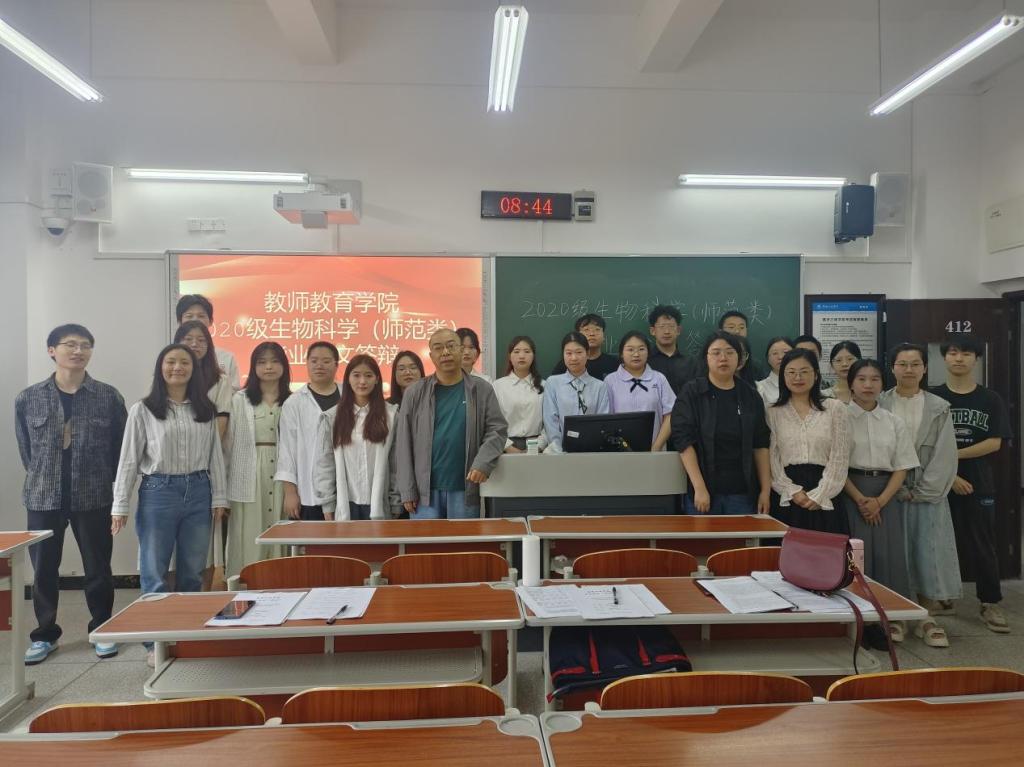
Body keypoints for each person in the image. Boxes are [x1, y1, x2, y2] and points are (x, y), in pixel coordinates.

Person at [16, 324, 127, 665]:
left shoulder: (108, 396)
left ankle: (102, 629)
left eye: (85, 345)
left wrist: (111, 487)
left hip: (93, 495)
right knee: (43, 569)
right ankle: (45, 635)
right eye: (70, 344)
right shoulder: (29, 397)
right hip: (43, 496)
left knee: (98, 567)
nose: (78, 351)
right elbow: (26, 450)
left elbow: (120, 449)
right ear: (52, 350)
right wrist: (46, 475)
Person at [112, 344, 228, 665]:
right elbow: (129, 459)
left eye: (184, 362)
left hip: (199, 490)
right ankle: (156, 642)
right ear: (160, 368)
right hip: (158, 491)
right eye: (171, 362)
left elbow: (215, 457)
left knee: (192, 572)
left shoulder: (205, 409)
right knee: (154, 572)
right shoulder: (143, 409)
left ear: (194, 369)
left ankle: (186, 636)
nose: (177, 367)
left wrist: (219, 497)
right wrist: (120, 504)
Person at [879, 343, 960, 648]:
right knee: (895, 553)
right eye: (902, 364)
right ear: (892, 368)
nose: (909, 370)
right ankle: (897, 615)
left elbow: (945, 454)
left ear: (925, 368)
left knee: (928, 551)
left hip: (928, 492)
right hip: (890, 491)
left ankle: (927, 617)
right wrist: (895, 488)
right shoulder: (880, 402)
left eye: (915, 364)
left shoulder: (939, 406)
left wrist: (922, 491)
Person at [931, 335, 1012, 634]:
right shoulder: (933, 397)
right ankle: (942, 597)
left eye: (966, 353)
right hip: (940, 481)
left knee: (982, 542)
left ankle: (990, 602)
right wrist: (950, 475)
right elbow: (926, 443)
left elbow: (994, 442)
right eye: (953, 352)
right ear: (944, 358)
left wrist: (954, 456)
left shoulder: (990, 399)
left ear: (976, 359)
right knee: (938, 541)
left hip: (978, 482)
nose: (959, 358)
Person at [840, 360, 918, 638]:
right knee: (855, 557)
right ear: (851, 383)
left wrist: (880, 501)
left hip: (886, 493)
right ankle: (858, 618)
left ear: (883, 384)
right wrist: (860, 499)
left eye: (874, 379)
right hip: (850, 490)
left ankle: (892, 617)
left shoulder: (893, 421)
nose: (868, 385)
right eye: (861, 379)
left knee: (889, 555)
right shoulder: (839, 418)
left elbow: (902, 466)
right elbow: (835, 464)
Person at [395, 328, 507, 519]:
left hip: (465, 488)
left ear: (461, 350)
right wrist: (407, 490)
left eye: (450, 346)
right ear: (431, 355)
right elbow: (403, 444)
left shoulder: (481, 389)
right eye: (438, 348)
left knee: (463, 538)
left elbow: (497, 430)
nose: (445, 352)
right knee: (426, 539)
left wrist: (483, 463)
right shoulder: (415, 392)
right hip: (424, 493)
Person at [672, 331, 771, 515]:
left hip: (742, 493)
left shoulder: (750, 395)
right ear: (706, 358)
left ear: (740, 359)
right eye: (716, 352)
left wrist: (765, 490)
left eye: (730, 352)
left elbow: (760, 444)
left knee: (742, 535)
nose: (723, 358)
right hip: (704, 491)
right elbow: (683, 441)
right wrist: (699, 487)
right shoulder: (692, 392)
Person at [766, 348, 851, 534]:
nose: (798, 377)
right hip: (787, 495)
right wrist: (791, 490)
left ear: (816, 374)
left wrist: (822, 494)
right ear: (783, 376)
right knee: (786, 550)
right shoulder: (772, 412)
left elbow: (840, 456)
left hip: (827, 493)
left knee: (827, 549)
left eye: (804, 371)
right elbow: (772, 458)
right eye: (791, 372)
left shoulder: (835, 408)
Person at [225, 342, 291, 576]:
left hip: (283, 468)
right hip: (248, 469)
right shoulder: (240, 399)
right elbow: (229, 442)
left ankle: (280, 578)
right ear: (253, 367)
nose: (269, 367)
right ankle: (248, 578)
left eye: (274, 361)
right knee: (249, 528)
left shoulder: (292, 400)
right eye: (262, 362)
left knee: (281, 523)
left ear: (284, 365)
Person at [315, 355, 398, 520]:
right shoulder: (332, 417)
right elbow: (325, 462)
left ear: (377, 379)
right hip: (346, 503)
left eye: (368, 375)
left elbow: (396, 461)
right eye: (356, 375)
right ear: (348, 379)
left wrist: (396, 500)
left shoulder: (391, 415)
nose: (362, 381)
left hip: (379, 503)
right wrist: (327, 502)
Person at [275, 341, 341, 521]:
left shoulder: (349, 396)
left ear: (336, 365)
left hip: (345, 490)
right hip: (307, 492)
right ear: (306, 363)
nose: (319, 365)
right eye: (314, 361)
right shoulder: (294, 402)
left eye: (326, 361)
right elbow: (287, 450)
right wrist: (290, 492)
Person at [605, 331, 675, 451]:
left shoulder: (659, 378)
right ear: (621, 353)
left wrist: (656, 447)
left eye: (641, 349)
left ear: (648, 352)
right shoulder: (610, 381)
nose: (636, 354)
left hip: (655, 451)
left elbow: (670, 415)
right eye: (630, 349)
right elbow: (606, 418)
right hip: (619, 451)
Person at [543, 331, 611, 452]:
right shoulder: (552, 383)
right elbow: (551, 421)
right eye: (568, 353)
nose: (573, 358)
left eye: (579, 352)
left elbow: (602, 421)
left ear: (587, 353)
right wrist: (558, 449)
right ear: (563, 355)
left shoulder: (600, 386)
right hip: (560, 452)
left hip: (593, 451)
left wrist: (593, 447)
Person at [174, 321, 232, 440]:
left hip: (205, 445)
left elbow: (221, 420)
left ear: (208, 345)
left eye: (201, 340)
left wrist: (207, 447)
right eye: (188, 339)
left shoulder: (220, 380)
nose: (194, 344)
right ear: (177, 343)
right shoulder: (169, 376)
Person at [493, 335, 547, 453]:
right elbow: (493, 424)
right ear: (509, 357)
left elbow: (549, 424)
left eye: (527, 351)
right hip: (506, 447)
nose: (521, 356)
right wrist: (509, 448)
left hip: (537, 448)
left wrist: (538, 446)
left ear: (533, 356)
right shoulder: (498, 386)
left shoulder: (545, 386)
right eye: (516, 351)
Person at [175, 294, 240, 390]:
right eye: (189, 316)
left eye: (201, 316)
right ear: (180, 322)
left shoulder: (226, 358)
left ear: (211, 321)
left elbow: (234, 393)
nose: (195, 320)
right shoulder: (169, 358)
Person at [550, 313, 619, 380]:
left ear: (604, 336)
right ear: (578, 335)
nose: (592, 334)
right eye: (586, 330)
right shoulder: (568, 364)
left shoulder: (614, 363)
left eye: (597, 329)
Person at [647, 305, 698, 395]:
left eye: (671, 326)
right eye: (662, 326)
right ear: (652, 331)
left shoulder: (691, 363)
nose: (667, 331)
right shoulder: (646, 361)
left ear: (678, 330)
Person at [717, 310, 764, 379]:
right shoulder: (711, 360)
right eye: (731, 327)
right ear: (720, 331)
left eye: (741, 328)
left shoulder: (755, 366)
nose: (737, 331)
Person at [756, 336, 793, 406]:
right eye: (775, 353)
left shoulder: (803, 384)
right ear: (768, 359)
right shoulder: (760, 388)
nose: (780, 357)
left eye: (785, 352)